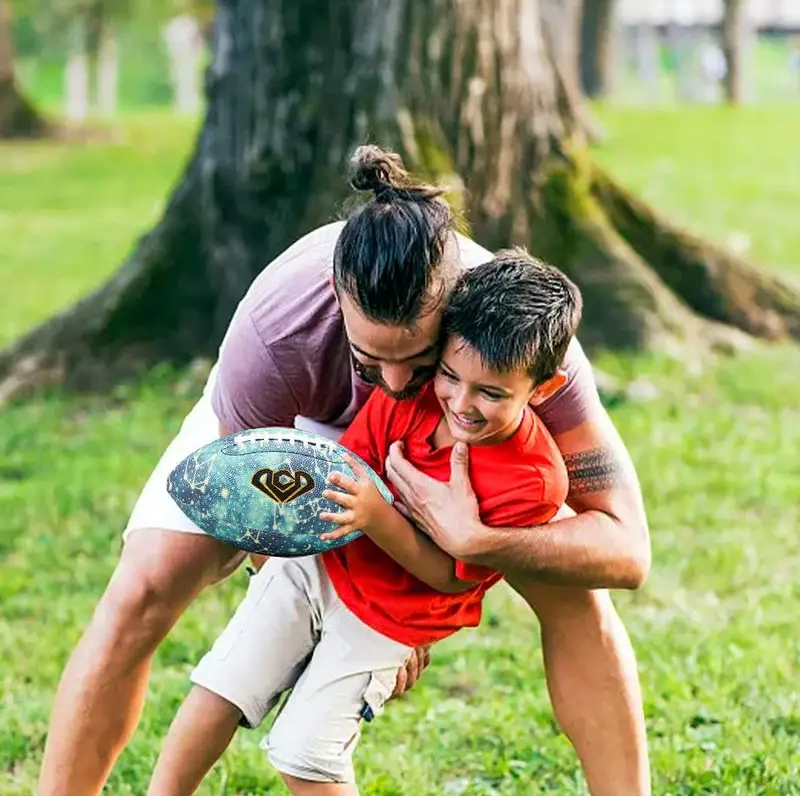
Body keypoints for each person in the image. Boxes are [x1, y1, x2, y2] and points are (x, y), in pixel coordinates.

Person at [39, 147, 651, 796]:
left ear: (454, 313)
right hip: (299, 431)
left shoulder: (508, 339)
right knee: (143, 587)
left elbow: (625, 549)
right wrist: (357, 608)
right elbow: (254, 505)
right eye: (369, 360)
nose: (390, 381)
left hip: (449, 439)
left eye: (417, 362)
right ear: (337, 298)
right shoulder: (278, 330)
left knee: (577, 596)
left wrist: (472, 548)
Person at [148, 252, 579, 794]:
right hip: (315, 565)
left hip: (386, 620)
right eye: (450, 375)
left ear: (542, 390)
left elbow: (449, 576)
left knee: (304, 752)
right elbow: (346, 472)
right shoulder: (413, 396)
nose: (461, 403)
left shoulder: (533, 481)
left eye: (491, 393)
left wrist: (377, 515)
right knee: (219, 688)